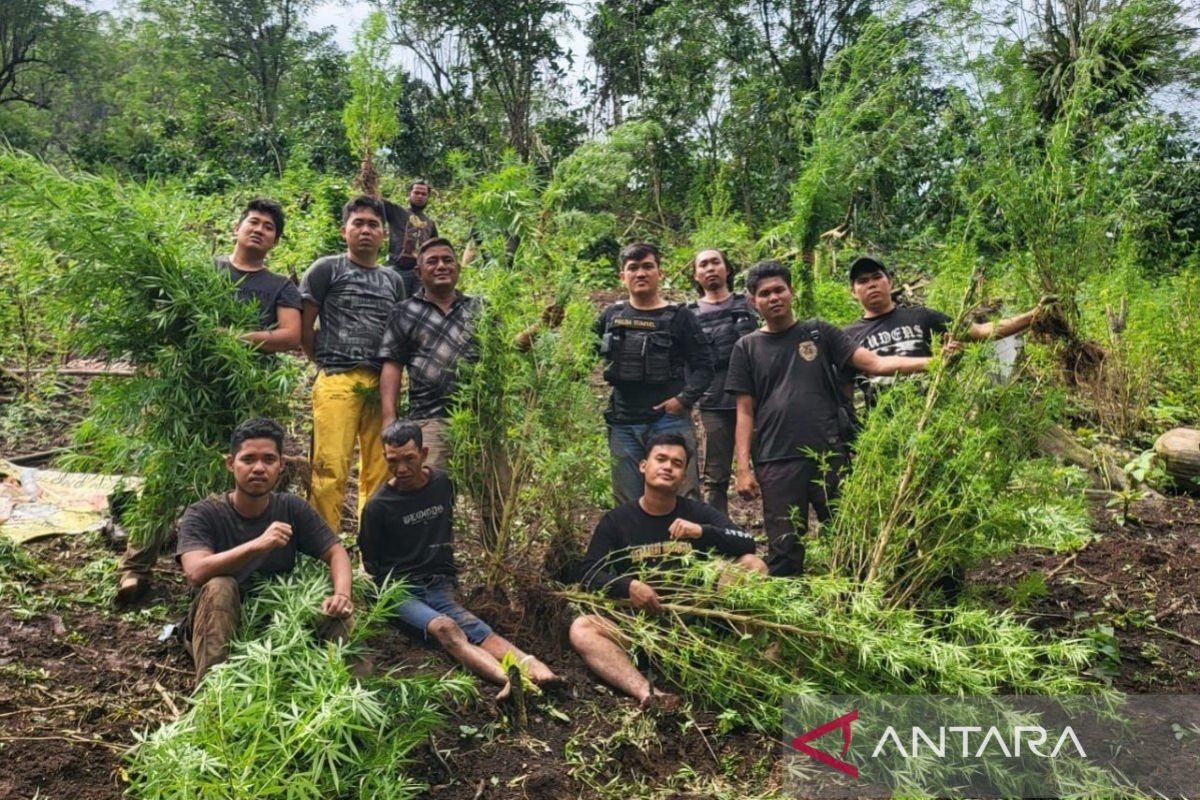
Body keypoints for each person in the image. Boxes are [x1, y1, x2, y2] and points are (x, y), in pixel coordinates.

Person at [116, 198, 302, 603]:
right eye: (252, 222)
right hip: (190, 391)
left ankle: (226, 569)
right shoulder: (205, 272)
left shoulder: (280, 287)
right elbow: (170, 318)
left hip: (243, 395)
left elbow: (290, 336)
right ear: (236, 228)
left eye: (268, 227)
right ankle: (135, 568)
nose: (258, 229)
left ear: (275, 241)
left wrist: (234, 339)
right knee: (165, 475)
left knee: (232, 478)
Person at [727, 260, 935, 577]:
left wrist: (934, 362)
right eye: (765, 293)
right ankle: (791, 614)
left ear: (791, 291)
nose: (774, 298)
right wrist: (743, 469)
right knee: (785, 546)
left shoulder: (819, 332)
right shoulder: (747, 347)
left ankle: (854, 605)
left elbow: (875, 364)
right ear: (754, 301)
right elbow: (744, 411)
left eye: (779, 289)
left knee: (847, 534)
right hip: (775, 458)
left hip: (829, 453)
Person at [359, 420, 561, 698]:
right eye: (393, 461)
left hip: (439, 583)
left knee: (480, 630)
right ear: (384, 458)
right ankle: (508, 681)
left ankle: (537, 669)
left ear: (424, 453)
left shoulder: (443, 484)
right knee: (445, 628)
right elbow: (372, 562)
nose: (401, 469)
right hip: (400, 590)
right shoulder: (377, 507)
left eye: (409, 459)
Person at [569, 433, 767, 707]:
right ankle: (648, 694)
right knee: (583, 628)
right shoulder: (617, 521)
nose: (667, 467)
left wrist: (702, 532)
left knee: (751, 566)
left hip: (702, 623)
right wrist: (629, 587)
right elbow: (588, 573)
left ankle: (748, 668)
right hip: (644, 627)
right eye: (660, 459)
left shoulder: (697, 512)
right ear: (643, 466)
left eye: (676, 463)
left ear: (684, 476)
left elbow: (747, 542)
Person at [176, 418, 354, 684]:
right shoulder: (204, 513)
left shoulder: (292, 508)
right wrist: (259, 544)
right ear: (230, 464)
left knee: (338, 613)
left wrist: (342, 595)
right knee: (220, 586)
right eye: (248, 459)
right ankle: (214, 698)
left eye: (268, 460)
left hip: (281, 627)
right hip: (217, 624)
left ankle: (350, 697)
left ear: (281, 465)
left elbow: (336, 552)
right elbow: (195, 571)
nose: (259, 468)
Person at [300, 195, 406, 531]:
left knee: (379, 469)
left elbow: (399, 333)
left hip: (381, 385)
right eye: (357, 223)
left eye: (373, 224)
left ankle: (371, 553)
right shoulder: (327, 269)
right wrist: (324, 360)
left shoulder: (394, 280)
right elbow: (305, 327)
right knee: (329, 468)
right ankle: (322, 553)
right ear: (343, 230)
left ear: (383, 235)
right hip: (336, 379)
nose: (365, 230)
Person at [594, 243, 714, 505]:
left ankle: (685, 546)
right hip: (623, 422)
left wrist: (682, 400)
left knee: (684, 498)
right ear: (622, 276)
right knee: (628, 503)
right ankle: (636, 546)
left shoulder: (681, 316)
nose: (641, 273)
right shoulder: (610, 316)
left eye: (648, 266)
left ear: (660, 272)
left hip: (669, 422)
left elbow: (705, 366)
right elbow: (583, 358)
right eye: (633, 268)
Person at [842, 255, 1048, 406]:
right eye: (863, 281)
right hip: (883, 429)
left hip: (932, 412)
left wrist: (1035, 314)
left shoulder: (922, 316)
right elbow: (845, 392)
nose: (871, 284)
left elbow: (982, 331)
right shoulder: (848, 336)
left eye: (877, 277)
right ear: (853, 292)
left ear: (890, 282)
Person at [378, 238, 482, 469]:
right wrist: (389, 418)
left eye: (448, 260)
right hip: (429, 420)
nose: (442, 266)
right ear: (418, 272)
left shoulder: (479, 308)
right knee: (432, 493)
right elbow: (392, 366)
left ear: (458, 268)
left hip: (479, 420)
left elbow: (504, 352)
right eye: (432, 262)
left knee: (496, 495)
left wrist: (537, 330)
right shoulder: (404, 311)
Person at [686, 249, 758, 514]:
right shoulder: (688, 315)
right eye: (703, 264)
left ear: (727, 269)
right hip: (715, 403)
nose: (710, 268)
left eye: (716, 262)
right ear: (696, 275)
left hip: (757, 401)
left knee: (770, 468)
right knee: (715, 478)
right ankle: (719, 536)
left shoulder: (751, 304)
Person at [383, 180, 438, 297]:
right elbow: (376, 201)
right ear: (409, 194)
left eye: (424, 194)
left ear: (428, 197)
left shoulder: (430, 223)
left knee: (417, 306)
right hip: (397, 269)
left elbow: (434, 248)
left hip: (419, 273)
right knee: (395, 304)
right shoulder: (397, 212)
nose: (420, 196)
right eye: (416, 193)